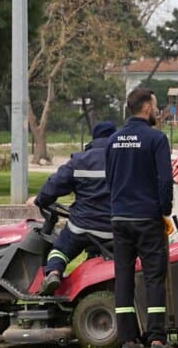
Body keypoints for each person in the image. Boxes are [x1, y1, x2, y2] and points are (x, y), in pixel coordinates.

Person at [105, 88, 174, 348]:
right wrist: (163, 210)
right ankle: (156, 338)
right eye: (155, 106)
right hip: (147, 217)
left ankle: (128, 340)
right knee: (154, 276)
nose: (157, 111)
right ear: (146, 108)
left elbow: (110, 180)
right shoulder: (156, 139)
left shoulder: (113, 140)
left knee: (123, 276)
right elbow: (165, 180)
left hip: (120, 217)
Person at [28, 121, 117, 295]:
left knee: (60, 249)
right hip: (114, 228)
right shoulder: (125, 161)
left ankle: (53, 272)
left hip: (82, 227)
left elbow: (53, 186)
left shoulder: (78, 161)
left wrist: (39, 199)